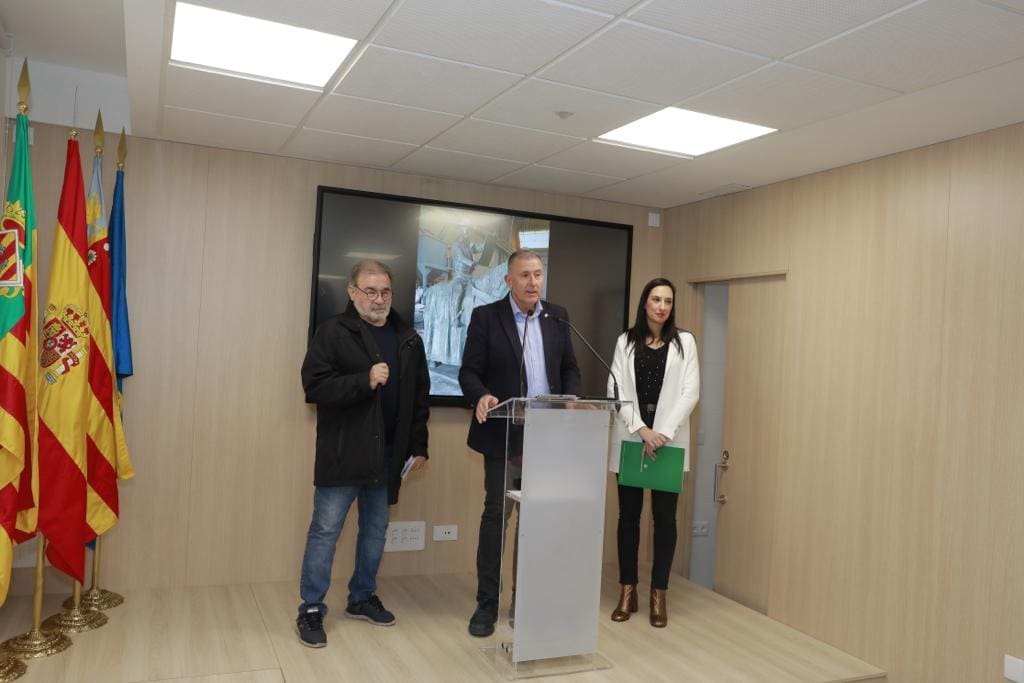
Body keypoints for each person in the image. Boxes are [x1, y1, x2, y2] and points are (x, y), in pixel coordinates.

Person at [295, 259, 430, 647]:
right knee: (325, 531)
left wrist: (418, 445)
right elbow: (314, 387)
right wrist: (364, 381)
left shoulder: (408, 338)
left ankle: (361, 597)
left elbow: (419, 399)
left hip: (388, 455)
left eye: (385, 291)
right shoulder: (333, 332)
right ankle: (311, 608)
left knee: (375, 530)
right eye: (370, 291)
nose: (379, 299)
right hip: (344, 452)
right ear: (352, 293)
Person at [458, 249, 581, 637]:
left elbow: (569, 368)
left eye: (538, 274)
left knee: (537, 521)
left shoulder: (557, 316)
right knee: (498, 517)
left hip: (548, 436)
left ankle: (526, 600)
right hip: (505, 434)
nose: (533, 282)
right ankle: (487, 604)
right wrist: (481, 395)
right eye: (524, 275)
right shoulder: (486, 317)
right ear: (508, 280)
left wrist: (571, 397)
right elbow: (469, 372)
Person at [607, 277, 699, 627]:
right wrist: (642, 430)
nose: (662, 306)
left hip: (668, 442)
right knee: (628, 518)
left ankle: (658, 595)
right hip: (632, 438)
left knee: (665, 519)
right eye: (656, 299)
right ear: (644, 303)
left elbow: (690, 392)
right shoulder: (625, 341)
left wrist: (662, 433)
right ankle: (627, 591)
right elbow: (614, 388)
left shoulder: (685, 342)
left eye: (668, 301)